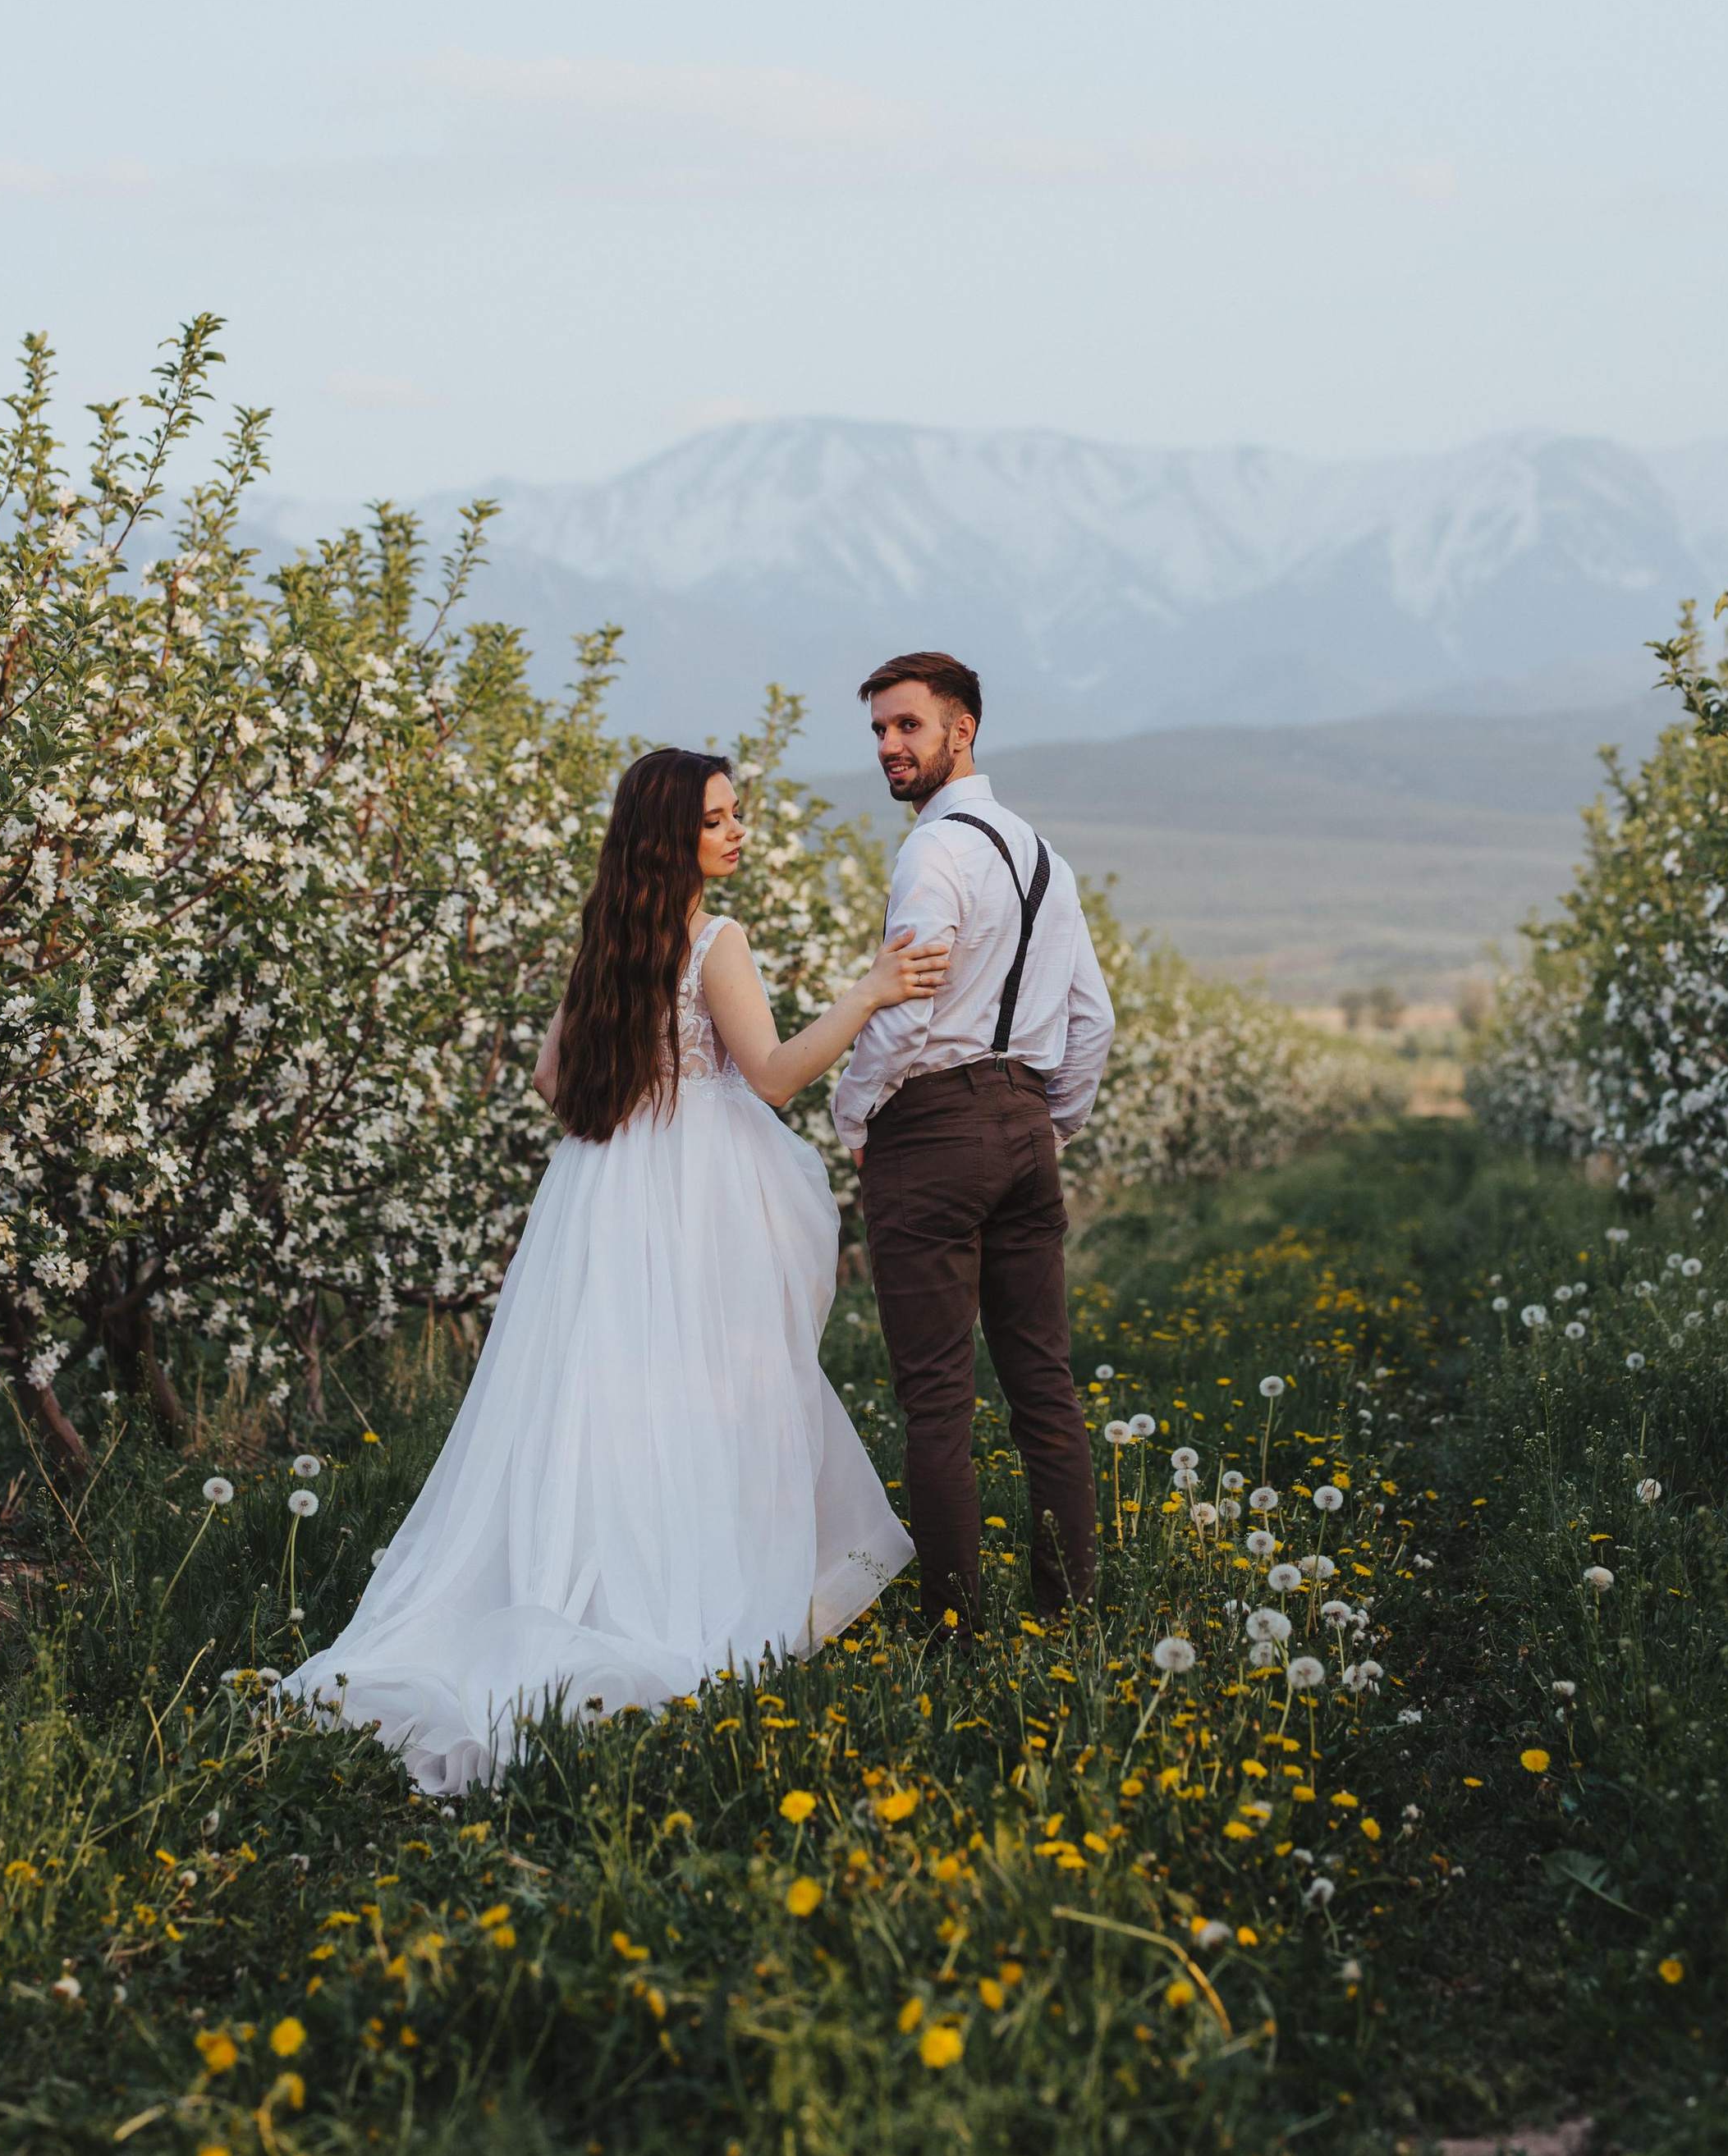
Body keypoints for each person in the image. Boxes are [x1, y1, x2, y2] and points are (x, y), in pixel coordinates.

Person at [283, 748, 933, 1793]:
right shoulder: (716, 939)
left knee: (596, 1395)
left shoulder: (606, 943)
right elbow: (768, 1076)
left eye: (735, 815)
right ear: (670, 836)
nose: (735, 833)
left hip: (601, 1190)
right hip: (696, 1197)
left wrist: (633, 1113)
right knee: (711, 1388)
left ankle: (581, 1578)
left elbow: (551, 1078)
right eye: (716, 821)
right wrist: (869, 991)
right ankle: (685, 1583)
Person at [833, 652, 1115, 1636]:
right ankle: (1070, 1616)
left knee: (937, 1399)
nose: (888, 748)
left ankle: (955, 1631)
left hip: (932, 1130)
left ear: (964, 731)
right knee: (1044, 1381)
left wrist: (855, 1112)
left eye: (907, 726)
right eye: (877, 730)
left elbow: (906, 1006)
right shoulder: (1046, 856)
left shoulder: (934, 852)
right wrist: (1050, 1120)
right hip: (1025, 1124)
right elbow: (1094, 1018)